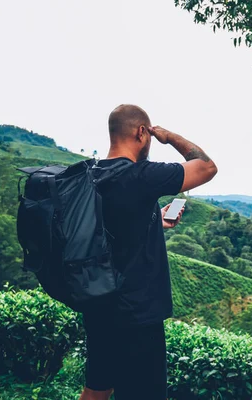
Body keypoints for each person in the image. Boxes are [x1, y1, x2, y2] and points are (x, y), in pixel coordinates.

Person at [78, 104, 218, 400]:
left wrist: (155, 216)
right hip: (136, 314)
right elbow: (206, 167)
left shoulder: (90, 175)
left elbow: (112, 224)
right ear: (142, 132)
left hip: (98, 304)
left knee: (97, 389)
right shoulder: (141, 176)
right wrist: (169, 136)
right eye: (150, 136)